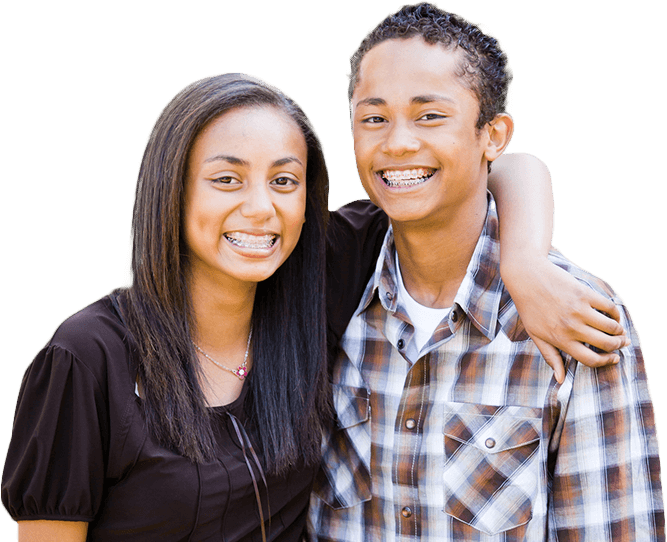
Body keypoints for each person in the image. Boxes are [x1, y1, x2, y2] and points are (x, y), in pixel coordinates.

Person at [0, 75, 625, 541]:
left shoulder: (320, 282)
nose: (259, 209)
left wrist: (523, 261)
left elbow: (499, 167)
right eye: (226, 179)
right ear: (170, 187)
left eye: (284, 180)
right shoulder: (88, 357)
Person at [309, 3, 664, 541]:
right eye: (374, 118)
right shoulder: (331, 285)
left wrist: (522, 264)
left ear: (493, 135)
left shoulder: (569, 314)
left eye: (430, 115)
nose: (397, 142)